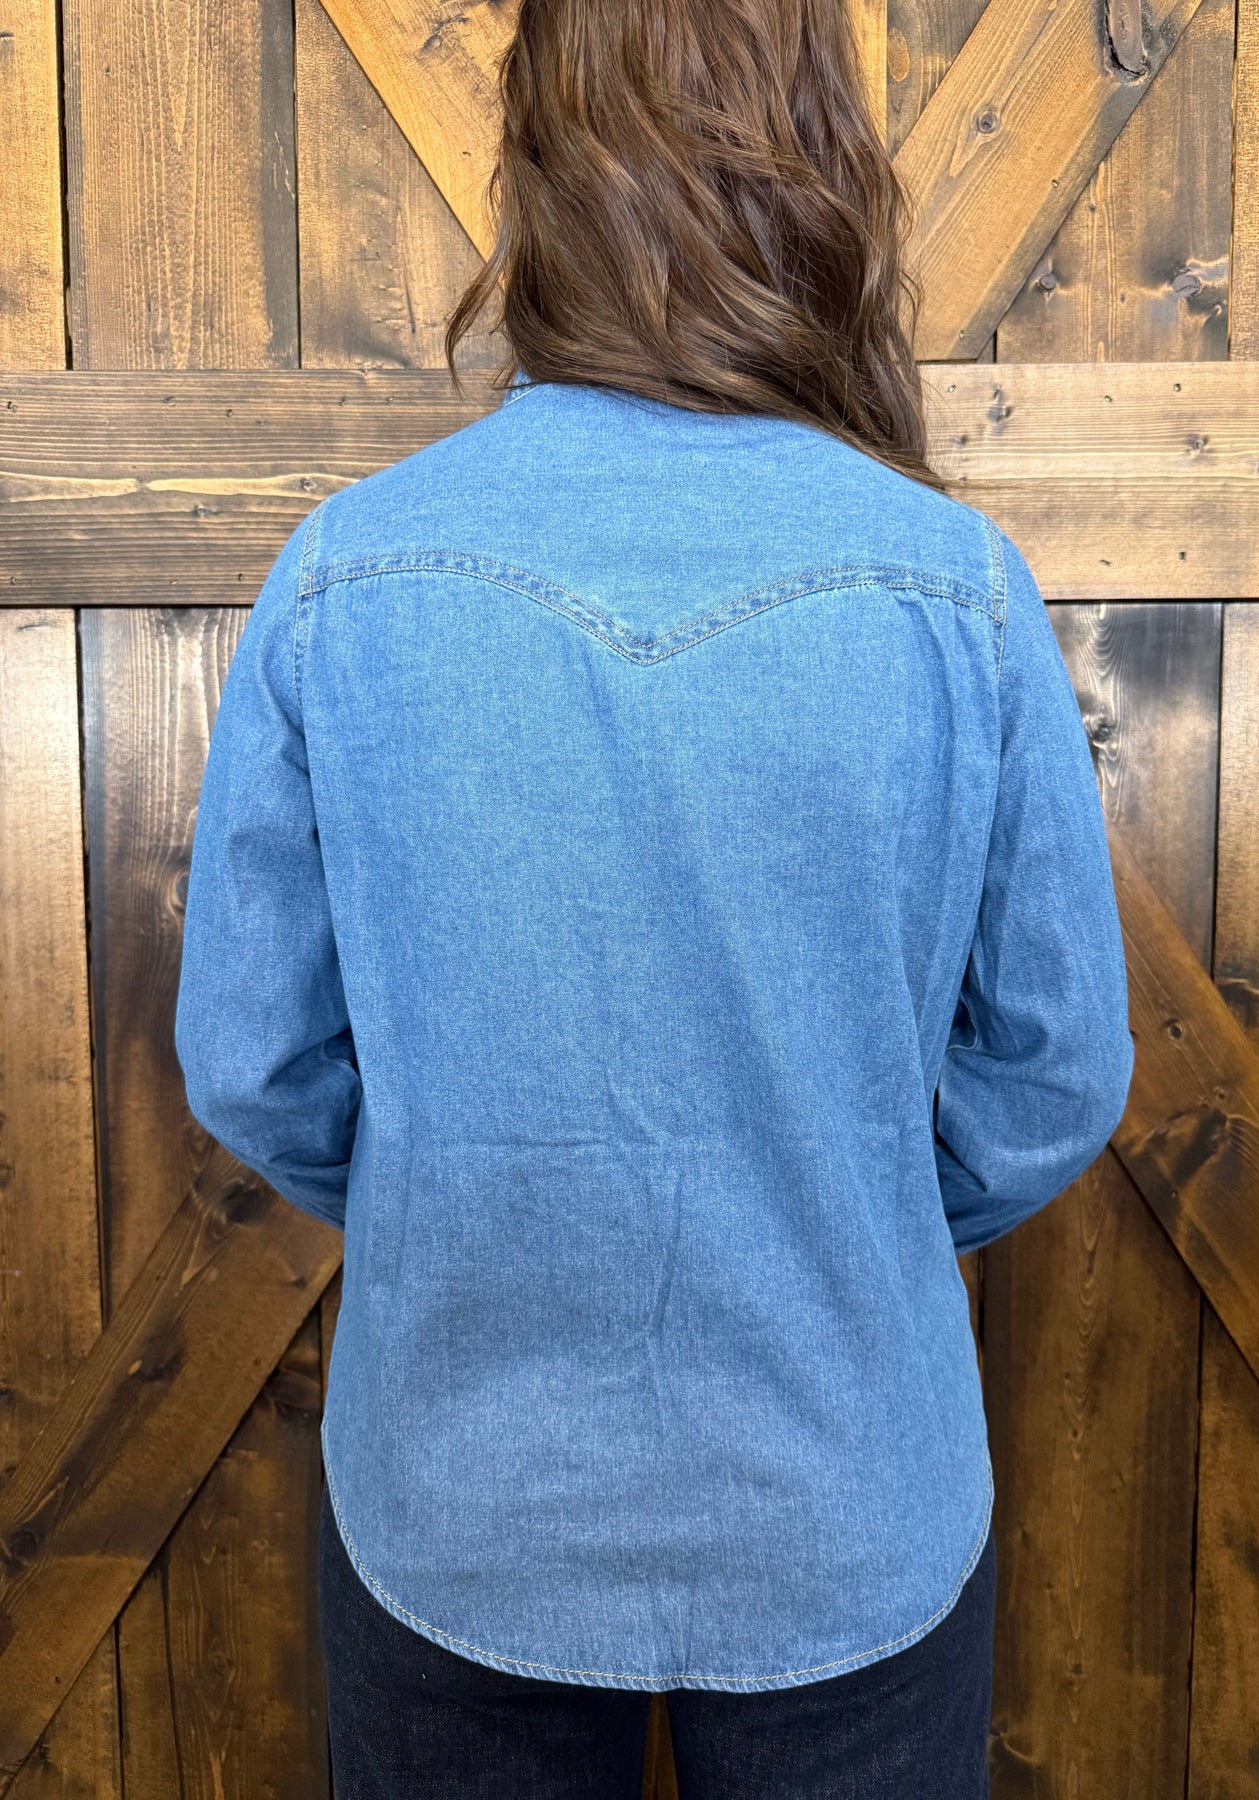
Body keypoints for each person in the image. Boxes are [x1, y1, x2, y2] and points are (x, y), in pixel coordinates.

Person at [173, 0, 1135, 1793]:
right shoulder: (953, 588)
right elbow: (1053, 1075)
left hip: (460, 1502)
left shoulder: (344, 576)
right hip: (844, 1492)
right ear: (818, 165)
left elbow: (255, 1064)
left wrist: (466, 1197)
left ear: (534, 173)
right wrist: (839, 1207)